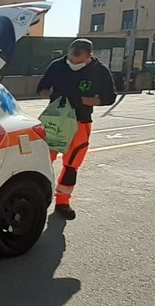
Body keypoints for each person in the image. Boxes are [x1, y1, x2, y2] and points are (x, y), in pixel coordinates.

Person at [36, 38, 116, 220]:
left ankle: (62, 201)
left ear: (89, 57)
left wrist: (82, 100)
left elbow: (109, 97)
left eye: (78, 62)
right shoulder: (58, 65)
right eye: (70, 60)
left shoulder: (100, 71)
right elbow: (41, 88)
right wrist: (52, 96)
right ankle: (37, 197)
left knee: (72, 164)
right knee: (42, 161)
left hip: (80, 122)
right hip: (54, 121)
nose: (72, 64)